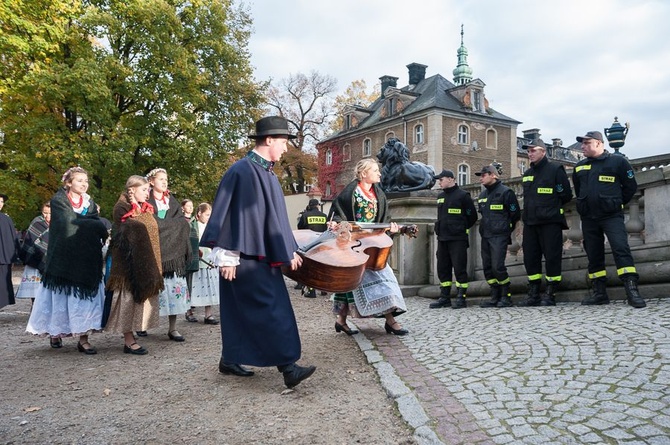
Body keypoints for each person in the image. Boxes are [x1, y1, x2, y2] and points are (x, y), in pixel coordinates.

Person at [201, 116, 315, 388]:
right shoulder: (241, 171)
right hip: (243, 259)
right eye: (284, 142)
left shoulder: (267, 173)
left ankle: (229, 358)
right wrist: (228, 255)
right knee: (271, 309)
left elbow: (275, 219)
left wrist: (289, 248)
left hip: (260, 256)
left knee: (242, 310)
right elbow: (229, 212)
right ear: (269, 140)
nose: (286, 149)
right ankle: (288, 368)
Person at [26, 167, 109, 353]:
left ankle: (83, 338)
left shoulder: (90, 203)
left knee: (84, 299)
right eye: (79, 180)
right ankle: (55, 333)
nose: (84, 184)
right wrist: (94, 225)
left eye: (85, 181)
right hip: (63, 258)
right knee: (61, 298)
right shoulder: (59, 201)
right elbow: (68, 224)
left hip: (86, 258)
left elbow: (90, 223)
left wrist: (92, 224)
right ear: (69, 183)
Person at [329, 158, 408, 336]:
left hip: (373, 244)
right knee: (351, 283)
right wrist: (340, 226)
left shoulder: (379, 193)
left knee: (385, 281)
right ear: (364, 173)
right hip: (355, 244)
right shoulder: (350, 192)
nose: (379, 173)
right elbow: (338, 216)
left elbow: (384, 219)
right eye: (375, 170)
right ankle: (341, 321)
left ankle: (390, 320)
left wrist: (391, 230)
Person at [572, 130, 645, 308]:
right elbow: (578, 187)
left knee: (621, 249)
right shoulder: (580, 166)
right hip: (589, 217)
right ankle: (599, 293)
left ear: (598, 143)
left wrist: (615, 203)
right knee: (594, 254)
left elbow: (630, 187)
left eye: (586, 143)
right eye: (582, 143)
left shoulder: (618, 162)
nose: (582, 147)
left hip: (611, 216)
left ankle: (632, 290)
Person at [105, 175, 164, 354]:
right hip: (128, 265)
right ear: (132, 190)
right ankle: (128, 339)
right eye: (144, 190)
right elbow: (130, 230)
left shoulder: (146, 208)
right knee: (128, 300)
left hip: (145, 262)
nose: (148, 193)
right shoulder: (121, 207)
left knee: (139, 301)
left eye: (148, 190)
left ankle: (133, 334)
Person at [517, 138, 573, 307]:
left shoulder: (555, 169)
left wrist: (550, 207)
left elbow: (566, 195)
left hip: (550, 221)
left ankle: (551, 292)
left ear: (543, 151)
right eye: (528, 151)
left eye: (533, 150)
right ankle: (533, 293)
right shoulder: (527, 175)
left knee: (552, 257)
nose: (529, 153)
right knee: (531, 258)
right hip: (531, 222)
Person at [147, 168, 192, 341]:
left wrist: (165, 226)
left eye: (166, 179)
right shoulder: (146, 199)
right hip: (153, 253)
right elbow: (149, 224)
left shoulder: (171, 200)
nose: (165, 182)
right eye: (161, 179)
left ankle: (172, 328)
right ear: (151, 181)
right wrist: (169, 225)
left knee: (174, 291)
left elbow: (183, 223)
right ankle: (143, 325)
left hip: (173, 256)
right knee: (151, 292)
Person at [429, 169, 477, 309]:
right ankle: (445, 297)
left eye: (441, 179)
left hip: (457, 238)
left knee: (459, 268)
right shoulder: (441, 196)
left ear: (451, 179)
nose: (440, 182)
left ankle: (461, 297)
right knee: (442, 268)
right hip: (443, 238)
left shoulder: (463, 196)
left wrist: (460, 228)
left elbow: (472, 216)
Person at [475, 165, 520, 308]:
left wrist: (506, 228)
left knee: (498, 266)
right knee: (487, 267)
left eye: (483, 175)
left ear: (493, 175)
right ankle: (494, 296)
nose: (481, 178)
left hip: (499, 235)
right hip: (486, 235)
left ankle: (506, 296)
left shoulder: (506, 192)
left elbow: (515, 214)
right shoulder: (482, 195)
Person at [187, 202, 219, 324]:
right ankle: (189, 311)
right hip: (197, 262)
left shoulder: (210, 227)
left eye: (210, 215)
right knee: (194, 286)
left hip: (209, 261)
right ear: (199, 213)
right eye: (206, 215)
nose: (208, 218)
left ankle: (208, 314)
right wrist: (195, 250)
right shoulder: (192, 226)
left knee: (209, 287)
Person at [16, 202, 51, 305]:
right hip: (34, 263)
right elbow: (29, 242)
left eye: (50, 213)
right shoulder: (37, 223)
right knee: (36, 296)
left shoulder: (60, 224)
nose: (47, 216)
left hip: (52, 264)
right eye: (45, 213)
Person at [296, 198, 328, 297]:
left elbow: (300, 228)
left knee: (309, 266)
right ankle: (323, 289)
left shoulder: (305, 215)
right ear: (318, 205)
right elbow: (326, 229)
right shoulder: (324, 216)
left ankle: (311, 290)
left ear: (309, 205)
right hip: (321, 243)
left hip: (308, 244)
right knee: (322, 266)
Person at [0, 193, 17, 311]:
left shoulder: (6, 219)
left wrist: (14, 255)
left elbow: (12, 239)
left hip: (4, 258)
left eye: (1, 202)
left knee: (2, 286)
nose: (0, 204)